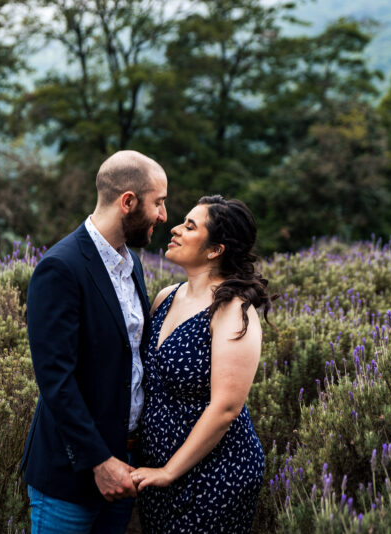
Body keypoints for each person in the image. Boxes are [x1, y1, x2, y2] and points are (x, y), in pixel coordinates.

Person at [21, 150, 168, 533]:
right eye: (159, 203)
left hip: (126, 470)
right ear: (128, 202)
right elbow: (55, 380)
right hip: (71, 478)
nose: (164, 216)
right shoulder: (60, 267)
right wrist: (99, 461)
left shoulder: (131, 263)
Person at [130, 195, 271, 533]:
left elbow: (226, 407)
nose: (175, 229)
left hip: (215, 474)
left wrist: (169, 471)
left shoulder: (232, 310)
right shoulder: (166, 297)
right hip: (159, 470)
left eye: (190, 226)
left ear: (214, 250)